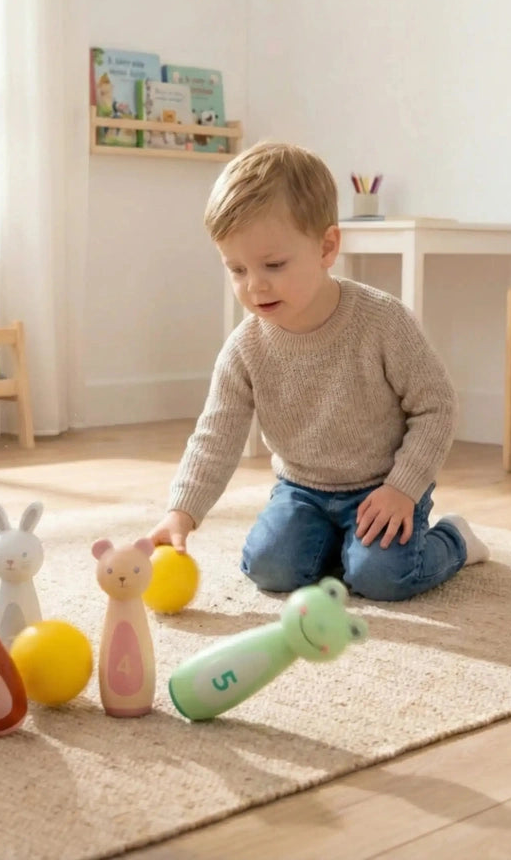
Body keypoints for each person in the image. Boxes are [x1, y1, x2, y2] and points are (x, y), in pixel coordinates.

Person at [148, 141, 489, 601]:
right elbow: (216, 436)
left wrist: (402, 488)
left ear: (327, 247)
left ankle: (454, 541)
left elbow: (436, 408)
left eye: (273, 265)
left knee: (382, 578)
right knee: (269, 569)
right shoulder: (244, 348)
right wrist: (181, 513)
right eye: (236, 269)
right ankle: (343, 547)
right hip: (302, 490)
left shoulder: (383, 321)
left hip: (383, 487)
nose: (255, 285)